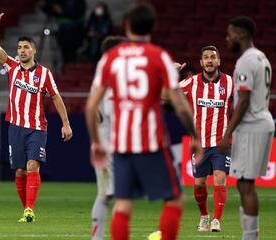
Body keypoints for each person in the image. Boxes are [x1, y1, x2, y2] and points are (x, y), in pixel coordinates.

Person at [85, 3, 203, 240]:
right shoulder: (159, 56)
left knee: (123, 204)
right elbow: (179, 105)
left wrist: (97, 142)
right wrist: (195, 136)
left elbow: (89, 106)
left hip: (120, 143)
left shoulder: (110, 59)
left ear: (127, 26)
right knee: (175, 198)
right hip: (150, 142)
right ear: (153, 26)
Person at [0, 12, 73, 223]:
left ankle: (29, 210)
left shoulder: (44, 73)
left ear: (33, 50)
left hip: (37, 127)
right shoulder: (12, 68)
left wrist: (66, 123)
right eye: (19, 48)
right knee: (19, 170)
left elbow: (56, 97)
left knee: (33, 165)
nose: (22, 51)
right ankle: (25, 208)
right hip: (15, 126)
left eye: (26, 47)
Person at [219, 16, 274, 240]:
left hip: (252, 126)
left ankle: (250, 238)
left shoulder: (245, 61)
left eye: (230, 33)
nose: (227, 38)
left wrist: (227, 133)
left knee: (245, 184)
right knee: (245, 184)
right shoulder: (262, 57)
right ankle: (250, 236)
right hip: (263, 121)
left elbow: (243, 100)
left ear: (241, 34)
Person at [177, 46, 233, 232]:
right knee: (200, 183)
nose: (209, 60)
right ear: (201, 62)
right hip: (199, 144)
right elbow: (163, 94)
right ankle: (204, 216)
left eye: (213, 57)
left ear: (218, 61)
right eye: (206, 58)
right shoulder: (190, 82)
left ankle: (216, 220)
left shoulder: (230, 82)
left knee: (220, 178)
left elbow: (244, 102)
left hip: (221, 142)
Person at [90, 35, 125, 240]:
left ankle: (98, 238)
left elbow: (91, 111)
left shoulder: (101, 78)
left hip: (103, 143)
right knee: (120, 196)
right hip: (112, 145)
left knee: (105, 195)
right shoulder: (113, 80)